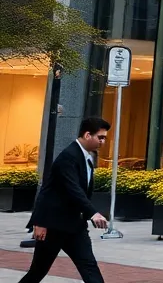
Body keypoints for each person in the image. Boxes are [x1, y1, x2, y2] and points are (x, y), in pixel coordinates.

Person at [19, 117, 110, 283]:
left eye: (104, 138)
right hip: (53, 227)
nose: (103, 142)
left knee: (90, 268)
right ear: (88, 135)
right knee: (37, 272)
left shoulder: (86, 157)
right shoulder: (68, 156)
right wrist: (93, 213)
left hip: (75, 227)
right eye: (101, 137)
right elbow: (69, 190)